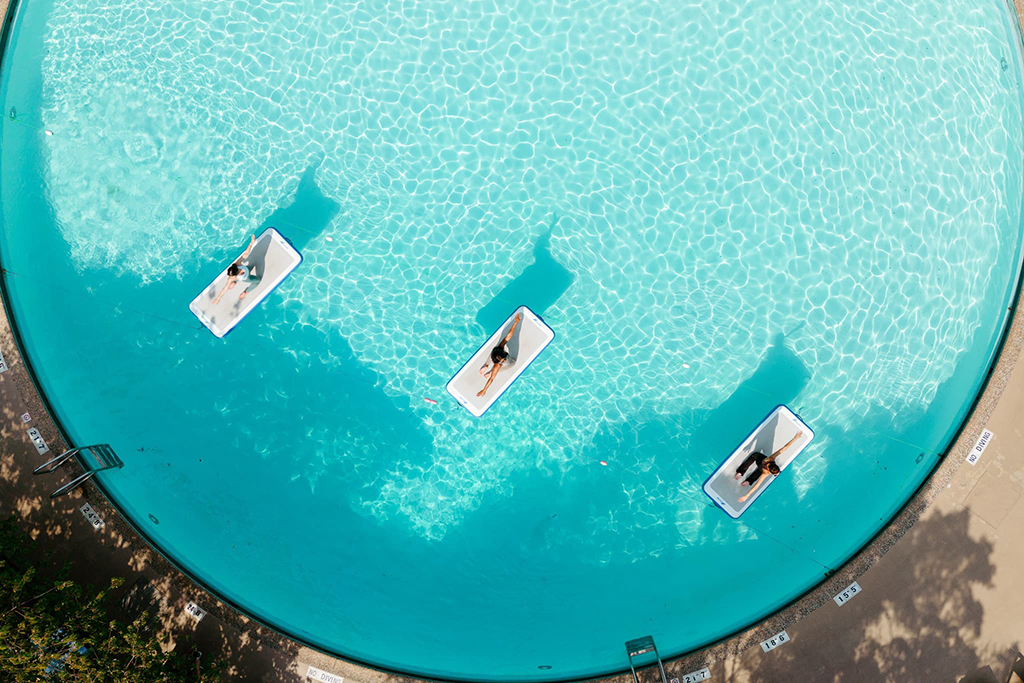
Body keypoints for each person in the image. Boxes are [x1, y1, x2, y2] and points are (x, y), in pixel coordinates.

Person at [735, 430, 803, 504]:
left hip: (762, 465)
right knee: (756, 463)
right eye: (775, 474)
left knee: (759, 468)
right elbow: (757, 485)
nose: (776, 474)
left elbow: (784, 448)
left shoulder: (771, 459)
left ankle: (745, 477)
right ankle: (745, 476)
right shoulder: (766, 471)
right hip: (758, 459)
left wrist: (795, 438)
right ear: (770, 471)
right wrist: (747, 496)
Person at [477, 312, 521, 397]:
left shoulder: (500, 346)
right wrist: (484, 390)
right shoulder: (498, 365)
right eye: (502, 360)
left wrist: (515, 323)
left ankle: (486, 365)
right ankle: (489, 369)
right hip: (500, 362)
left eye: (503, 358)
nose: (504, 360)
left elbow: (508, 336)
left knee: (493, 354)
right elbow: (491, 379)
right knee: (511, 364)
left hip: (495, 353)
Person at [212, 234, 261, 304]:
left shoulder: (237, 264)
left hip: (246, 270)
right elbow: (225, 289)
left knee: (252, 265)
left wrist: (251, 243)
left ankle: (235, 282)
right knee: (257, 281)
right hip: (246, 278)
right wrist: (218, 298)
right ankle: (245, 292)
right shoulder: (231, 278)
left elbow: (245, 254)